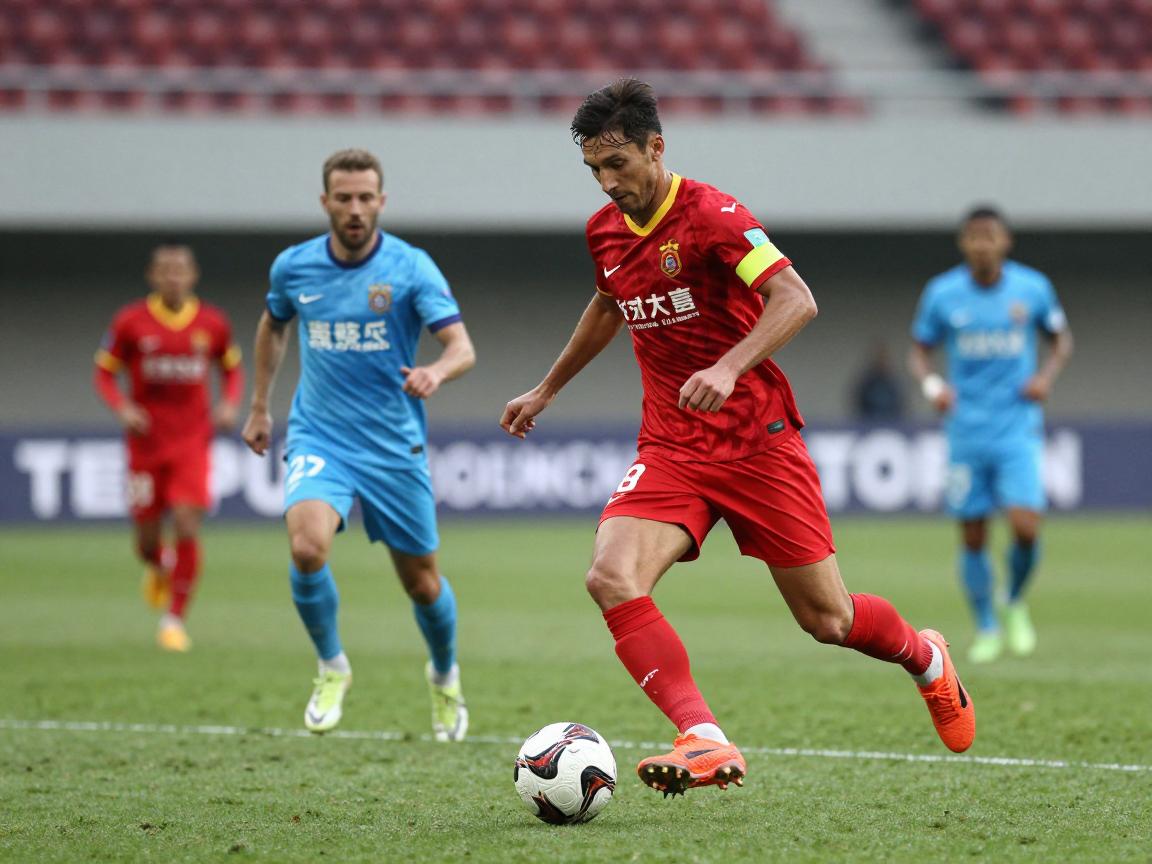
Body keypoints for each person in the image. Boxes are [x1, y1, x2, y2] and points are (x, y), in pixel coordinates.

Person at [500, 79, 976, 798]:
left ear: (656, 148)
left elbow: (796, 299)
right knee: (610, 577)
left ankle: (927, 657)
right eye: (594, 168)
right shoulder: (605, 230)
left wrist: (728, 366)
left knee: (829, 619)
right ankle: (703, 735)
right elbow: (607, 304)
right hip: (671, 447)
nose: (607, 182)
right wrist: (547, 388)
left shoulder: (714, 217)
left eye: (618, 164)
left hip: (758, 442)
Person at [241, 148, 476, 739]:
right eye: (343, 198)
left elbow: (462, 348)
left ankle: (445, 676)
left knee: (422, 582)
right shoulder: (294, 267)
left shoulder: (410, 267)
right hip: (320, 434)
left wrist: (435, 372)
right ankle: (331, 667)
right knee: (307, 548)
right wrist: (260, 406)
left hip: (393, 445)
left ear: (381, 202)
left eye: (365, 198)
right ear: (325, 201)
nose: (354, 208)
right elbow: (273, 325)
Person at [909, 206, 1073, 663]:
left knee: (1025, 527)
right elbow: (919, 351)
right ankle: (986, 625)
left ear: (1006, 241)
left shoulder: (1033, 288)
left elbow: (1061, 339)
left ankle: (1013, 600)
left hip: (1017, 426)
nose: (983, 244)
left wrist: (1045, 378)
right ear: (963, 243)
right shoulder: (942, 293)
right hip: (966, 429)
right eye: (974, 236)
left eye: (990, 236)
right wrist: (933, 386)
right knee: (973, 534)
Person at [94, 243, 244, 652]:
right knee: (146, 542)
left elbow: (231, 368)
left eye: (181, 270)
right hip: (146, 444)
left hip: (192, 441)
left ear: (193, 276)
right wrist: (123, 407)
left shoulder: (212, 323)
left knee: (186, 522)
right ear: (152, 276)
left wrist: (230, 404)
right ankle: (160, 564)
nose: (174, 278)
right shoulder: (131, 322)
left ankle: (173, 620)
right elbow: (104, 373)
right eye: (166, 271)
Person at [852, 341, 905, 422]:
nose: (882, 361)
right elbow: (858, 403)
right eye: (879, 357)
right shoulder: (866, 382)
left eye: (884, 358)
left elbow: (900, 404)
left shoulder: (894, 382)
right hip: (869, 423)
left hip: (891, 423)